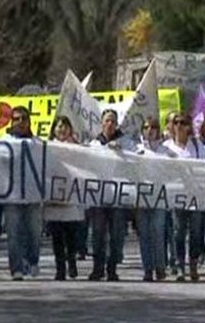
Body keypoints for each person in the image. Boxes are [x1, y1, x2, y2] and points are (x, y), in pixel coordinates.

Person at [88, 109, 136, 281]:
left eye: (113, 121)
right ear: (101, 123)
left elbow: (137, 162)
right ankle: (97, 267)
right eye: (107, 120)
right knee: (98, 234)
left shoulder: (127, 143)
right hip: (99, 197)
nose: (110, 124)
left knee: (117, 234)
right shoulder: (93, 144)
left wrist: (122, 152)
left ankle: (112, 268)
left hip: (119, 197)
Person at [163, 113, 205, 282]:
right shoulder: (166, 146)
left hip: (195, 195)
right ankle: (180, 266)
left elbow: (204, 167)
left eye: (183, 123)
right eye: (176, 122)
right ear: (172, 126)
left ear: (189, 126)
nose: (180, 125)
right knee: (178, 232)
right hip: (176, 196)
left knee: (196, 232)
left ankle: (193, 264)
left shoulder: (197, 146)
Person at [3, 106, 42, 281]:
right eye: (16, 119)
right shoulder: (3, 143)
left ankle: (32, 261)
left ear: (29, 121)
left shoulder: (38, 144)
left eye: (23, 118)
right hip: (11, 195)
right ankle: (16, 268)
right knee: (13, 233)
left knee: (34, 232)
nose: (20, 122)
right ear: (12, 122)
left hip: (33, 196)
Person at [45, 115, 85, 281]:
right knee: (57, 236)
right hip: (53, 197)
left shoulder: (78, 148)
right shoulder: (47, 147)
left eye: (65, 126)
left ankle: (72, 262)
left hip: (72, 196)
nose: (62, 129)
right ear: (54, 129)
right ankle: (60, 268)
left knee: (71, 235)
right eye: (59, 126)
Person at [135, 117, 171, 281]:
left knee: (158, 232)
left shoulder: (165, 150)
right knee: (144, 234)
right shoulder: (136, 149)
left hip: (159, 197)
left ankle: (160, 267)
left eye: (153, 127)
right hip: (141, 197)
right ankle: (147, 269)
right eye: (146, 127)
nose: (150, 130)